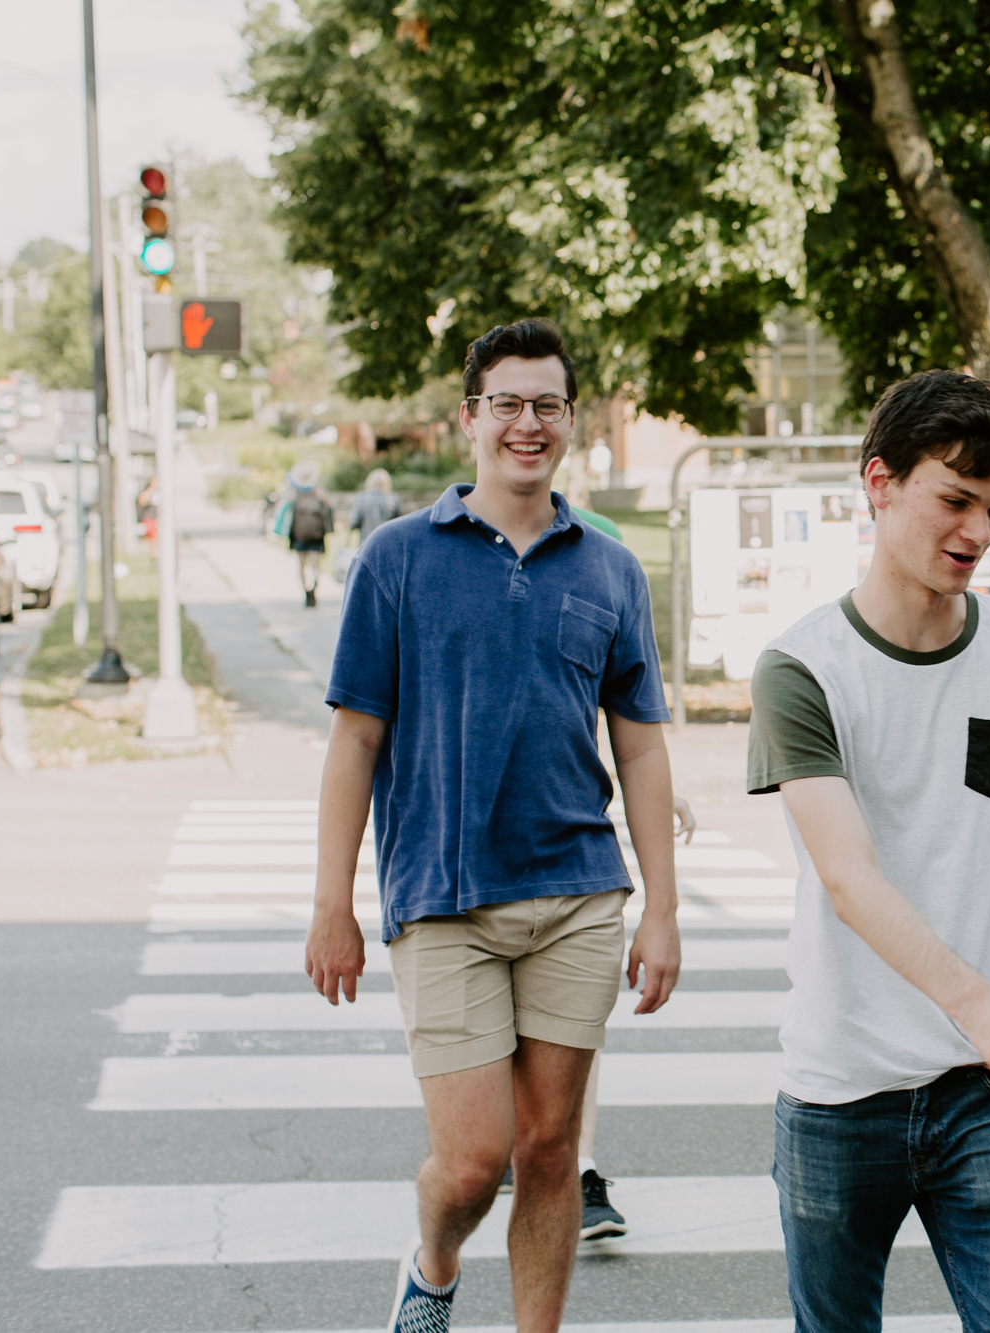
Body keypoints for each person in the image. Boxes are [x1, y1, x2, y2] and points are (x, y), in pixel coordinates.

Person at [305, 318, 681, 1333]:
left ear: (570, 420)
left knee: (549, 1147)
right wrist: (332, 904)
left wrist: (661, 909)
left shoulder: (609, 568)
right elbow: (354, 742)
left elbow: (642, 749)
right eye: (507, 403)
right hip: (443, 897)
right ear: (470, 416)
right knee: (473, 1159)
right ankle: (433, 1262)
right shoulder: (396, 558)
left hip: (577, 894)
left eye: (547, 405)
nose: (528, 423)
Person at [746, 370, 990, 1333]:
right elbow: (849, 876)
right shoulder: (802, 669)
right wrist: (983, 1005)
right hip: (839, 1089)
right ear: (880, 483)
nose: (979, 531)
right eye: (956, 499)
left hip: (985, 1090)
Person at [289, 465, 333, 608]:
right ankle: (314, 588)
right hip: (316, 535)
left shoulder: (295, 494)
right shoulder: (319, 492)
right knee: (315, 565)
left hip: (299, 535)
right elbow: (328, 511)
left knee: (301, 565)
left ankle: (306, 591)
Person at [349, 467, 401, 547]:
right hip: (388, 543)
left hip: (366, 543)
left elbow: (353, 523)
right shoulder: (393, 499)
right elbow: (400, 524)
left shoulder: (362, 499)